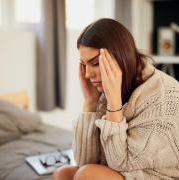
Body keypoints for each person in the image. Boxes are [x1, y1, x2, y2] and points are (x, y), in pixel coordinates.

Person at [52, 18, 179, 180]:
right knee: (62, 174)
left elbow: (119, 163)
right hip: (124, 169)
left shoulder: (163, 99)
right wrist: (90, 103)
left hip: (156, 175)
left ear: (120, 57)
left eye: (96, 63)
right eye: (84, 65)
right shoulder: (109, 88)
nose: (87, 74)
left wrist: (114, 104)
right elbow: (85, 161)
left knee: (87, 175)